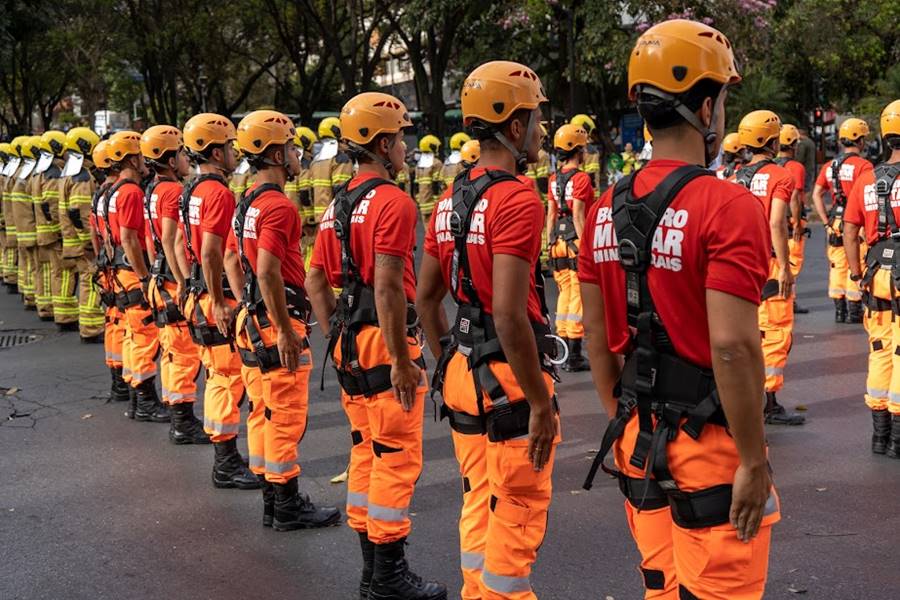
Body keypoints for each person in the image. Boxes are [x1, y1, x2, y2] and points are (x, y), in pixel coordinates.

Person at [581, 20, 780, 599]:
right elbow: (733, 346)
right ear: (708, 104)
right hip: (709, 443)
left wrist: (622, 419)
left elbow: (598, 336)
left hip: (635, 436)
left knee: (661, 587)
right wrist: (752, 459)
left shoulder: (602, 208)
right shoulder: (728, 206)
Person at [417, 60, 559, 600]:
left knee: (479, 495)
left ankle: (477, 592)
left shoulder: (450, 198)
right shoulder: (519, 198)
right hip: (506, 380)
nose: (542, 129)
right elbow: (509, 312)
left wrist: (448, 356)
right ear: (515, 127)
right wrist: (542, 402)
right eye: (537, 117)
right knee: (518, 508)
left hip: (462, 371)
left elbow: (428, 298)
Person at [307, 92, 445, 600]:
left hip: (347, 341)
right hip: (383, 343)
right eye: (401, 136)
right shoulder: (393, 201)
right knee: (396, 456)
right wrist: (402, 359)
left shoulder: (337, 204)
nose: (406, 145)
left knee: (367, 449)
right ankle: (388, 576)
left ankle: (372, 571)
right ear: (384, 143)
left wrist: (333, 334)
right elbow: (388, 286)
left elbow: (316, 279)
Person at [228, 109, 340, 531]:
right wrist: (281, 330)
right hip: (277, 321)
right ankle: (288, 504)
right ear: (276, 153)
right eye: (292, 147)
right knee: (286, 415)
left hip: (252, 319)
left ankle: (273, 500)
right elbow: (268, 271)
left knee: (263, 410)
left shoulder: (247, 204)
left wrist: (247, 306)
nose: (297, 154)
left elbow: (230, 260)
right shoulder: (278, 207)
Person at [180, 113, 259, 489]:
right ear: (215, 150)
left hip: (199, 290)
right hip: (216, 295)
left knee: (217, 377)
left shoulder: (191, 190)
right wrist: (220, 301)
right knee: (227, 379)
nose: (235, 152)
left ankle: (224, 456)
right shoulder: (217, 193)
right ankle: (226, 461)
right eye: (229, 146)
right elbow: (214, 253)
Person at [735, 111, 805, 426]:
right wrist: (786, 267)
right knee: (775, 332)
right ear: (772, 140)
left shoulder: (733, 175)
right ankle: (770, 402)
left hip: (738, 263)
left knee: (746, 332)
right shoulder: (782, 176)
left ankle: (745, 397)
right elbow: (777, 221)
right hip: (768, 263)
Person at [140, 124, 209, 444]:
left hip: (160, 274)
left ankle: (176, 413)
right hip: (170, 279)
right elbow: (171, 239)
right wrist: (183, 282)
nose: (185, 158)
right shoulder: (170, 191)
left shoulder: (153, 188)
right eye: (180, 152)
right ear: (169, 160)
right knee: (183, 354)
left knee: (172, 351)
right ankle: (182, 421)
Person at [843, 99, 900, 457]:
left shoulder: (866, 179)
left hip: (875, 273)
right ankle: (898, 439)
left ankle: (880, 435)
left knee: (879, 348)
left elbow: (851, 231)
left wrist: (854, 271)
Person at [103, 130, 169, 423]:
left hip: (119, 270)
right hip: (132, 272)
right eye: (141, 154)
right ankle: (144, 400)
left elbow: (110, 237)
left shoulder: (113, 191)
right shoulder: (130, 192)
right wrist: (145, 278)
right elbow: (130, 239)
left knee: (132, 336)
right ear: (132, 158)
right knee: (143, 338)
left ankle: (135, 396)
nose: (146, 160)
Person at [812, 117, 873, 323]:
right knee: (855, 262)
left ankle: (839, 311)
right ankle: (854, 309)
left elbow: (816, 194)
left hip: (834, 222)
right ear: (860, 141)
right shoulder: (863, 166)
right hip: (855, 222)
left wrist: (824, 220)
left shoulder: (829, 166)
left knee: (837, 265)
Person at [547, 123, 593, 372]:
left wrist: (547, 243)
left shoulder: (554, 179)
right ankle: (574, 355)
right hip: (575, 242)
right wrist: (587, 247)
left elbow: (551, 213)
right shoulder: (582, 178)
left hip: (557, 243)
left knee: (564, 292)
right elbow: (578, 215)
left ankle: (563, 347)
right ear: (577, 150)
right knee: (577, 294)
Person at [91, 140, 131, 406]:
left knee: (115, 324)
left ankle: (119, 383)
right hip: (121, 266)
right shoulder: (122, 193)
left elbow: (95, 233)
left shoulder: (101, 194)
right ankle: (127, 385)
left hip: (108, 265)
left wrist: (100, 260)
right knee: (131, 330)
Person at [58, 127, 105, 342]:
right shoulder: (82, 178)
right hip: (82, 243)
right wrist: (90, 243)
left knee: (87, 281)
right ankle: (92, 327)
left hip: (72, 241)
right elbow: (81, 214)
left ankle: (88, 325)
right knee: (91, 281)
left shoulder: (68, 173)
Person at [32, 131, 68, 324]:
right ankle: (63, 314)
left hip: (42, 232)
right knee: (60, 273)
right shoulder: (53, 174)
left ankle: (48, 307)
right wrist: (60, 230)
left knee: (45, 271)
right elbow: (52, 207)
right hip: (53, 234)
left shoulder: (40, 172)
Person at [776, 124, 811, 314]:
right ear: (791, 145)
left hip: (774, 220)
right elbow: (795, 197)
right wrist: (797, 223)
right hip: (789, 221)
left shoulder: (771, 165)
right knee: (791, 261)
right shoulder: (795, 167)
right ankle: (789, 298)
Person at [11, 136, 39, 310]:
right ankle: (34, 298)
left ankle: (28, 294)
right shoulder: (30, 175)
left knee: (27, 263)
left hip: (20, 229)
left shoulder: (17, 173)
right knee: (40, 268)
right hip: (32, 230)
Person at [310, 116, 352, 227]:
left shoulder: (315, 161)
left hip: (319, 218)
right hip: (336, 219)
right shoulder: (341, 159)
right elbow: (342, 191)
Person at [1, 139, 20, 293]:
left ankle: (8, 275)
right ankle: (10, 277)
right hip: (13, 222)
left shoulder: (8, 175)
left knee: (8, 248)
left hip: (9, 220)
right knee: (11, 249)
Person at [571, 114, 603, 198]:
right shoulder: (591, 151)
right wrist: (596, 196)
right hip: (588, 195)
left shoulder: (567, 149)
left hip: (571, 194)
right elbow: (592, 176)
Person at [414, 134, 443, 221]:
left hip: (423, 205)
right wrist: (438, 201)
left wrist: (418, 200)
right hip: (433, 205)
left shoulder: (418, 165)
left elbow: (416, 185)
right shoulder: (436, 163)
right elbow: (436, 184)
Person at [795, 126, 817, 192]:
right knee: (808, 187)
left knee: (804, 189)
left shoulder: (803, 143)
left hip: (804, 168)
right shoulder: (811, 142)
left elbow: (800, 158)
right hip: (811, 167)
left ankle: (805, 202)